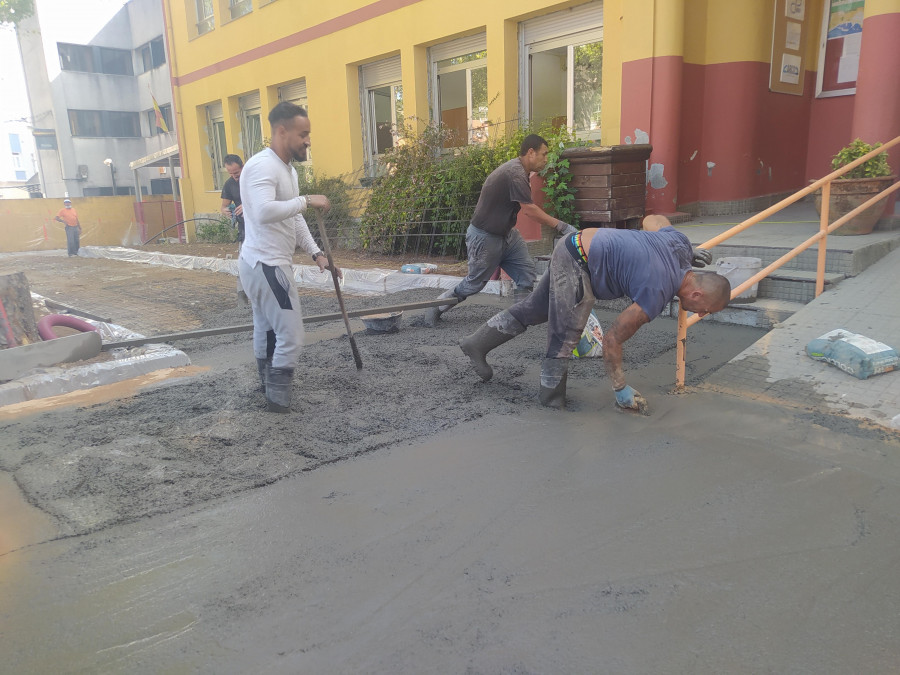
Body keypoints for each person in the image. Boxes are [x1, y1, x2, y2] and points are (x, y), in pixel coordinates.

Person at [458, 216, 729, 412]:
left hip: (576, 245)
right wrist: (620, 388)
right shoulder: (656, 292)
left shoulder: (679, 242)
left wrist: (685, 251)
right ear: (697, 294)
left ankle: (476, 343)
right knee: (567, 332)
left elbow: (652, 220)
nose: (701, 314)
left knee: (535, 309)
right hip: (579, 261)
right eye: (705, 310)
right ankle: (551, 402)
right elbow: (612, 339)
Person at [238, 102, 339, 413]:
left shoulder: (287, 170)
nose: (308, 140)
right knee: (292, 335)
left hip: (262, 263)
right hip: (266, 265)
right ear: (282, 131)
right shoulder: (262, 166)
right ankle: (278, 401)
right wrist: (308, 200)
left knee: (266, 327)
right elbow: (265, 211)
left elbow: (293, 218)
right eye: (303, 134)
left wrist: (316, 253)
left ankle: (267, 385)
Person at [424, 134, 579, 325]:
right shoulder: (515, 173)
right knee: (474, 284)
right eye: (544, 154)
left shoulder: (520, 171)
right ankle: (436, 307)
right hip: (484, 237)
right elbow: (529, 209)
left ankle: (520, 318)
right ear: (531, 153)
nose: (546, 159)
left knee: (525, 275)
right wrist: (562, 226)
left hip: (507, 235)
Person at [220, 154, 245, 241]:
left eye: (236, 172)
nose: (234, 176)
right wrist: (225, 211)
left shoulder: (254, 179)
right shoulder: (229, 184)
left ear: (243, 166)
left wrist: (247, 205)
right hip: (244, 227)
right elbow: (223, 206)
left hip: (261, 225)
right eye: (230, 173)